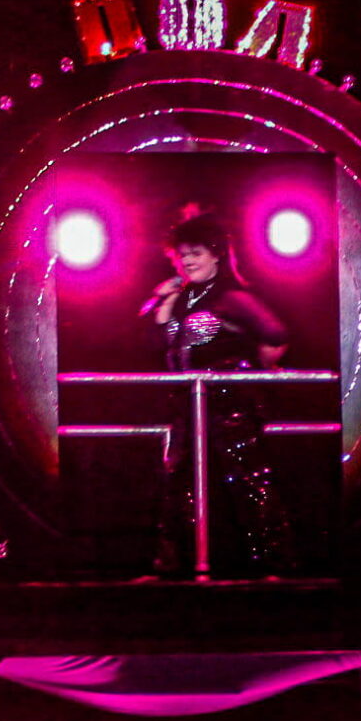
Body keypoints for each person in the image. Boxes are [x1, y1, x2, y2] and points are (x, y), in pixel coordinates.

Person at [142, 208, 293, 576]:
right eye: (182, 254)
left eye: (196, 253)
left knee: (250, 481)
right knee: (177, 483)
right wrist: (164, 300)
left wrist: (256, 371)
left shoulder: (231, 297)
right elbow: (156, 339)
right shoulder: (181, 297)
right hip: (186, 404)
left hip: (230, 402)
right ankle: (172, 567)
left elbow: (275, 335)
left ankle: (274, 566)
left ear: (216, 254)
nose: (187, 261)